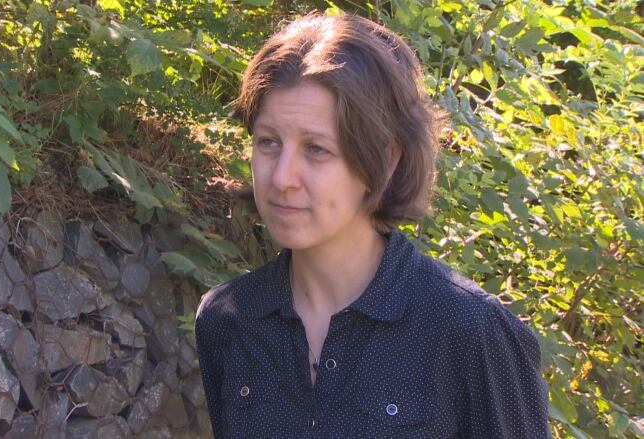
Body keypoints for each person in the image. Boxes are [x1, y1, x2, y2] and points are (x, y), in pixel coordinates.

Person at [195, 12, 550, 438]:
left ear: (385, 160)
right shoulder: (228, 320)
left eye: (317, 149)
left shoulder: (470, 333)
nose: (282, 177)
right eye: (269, 143)